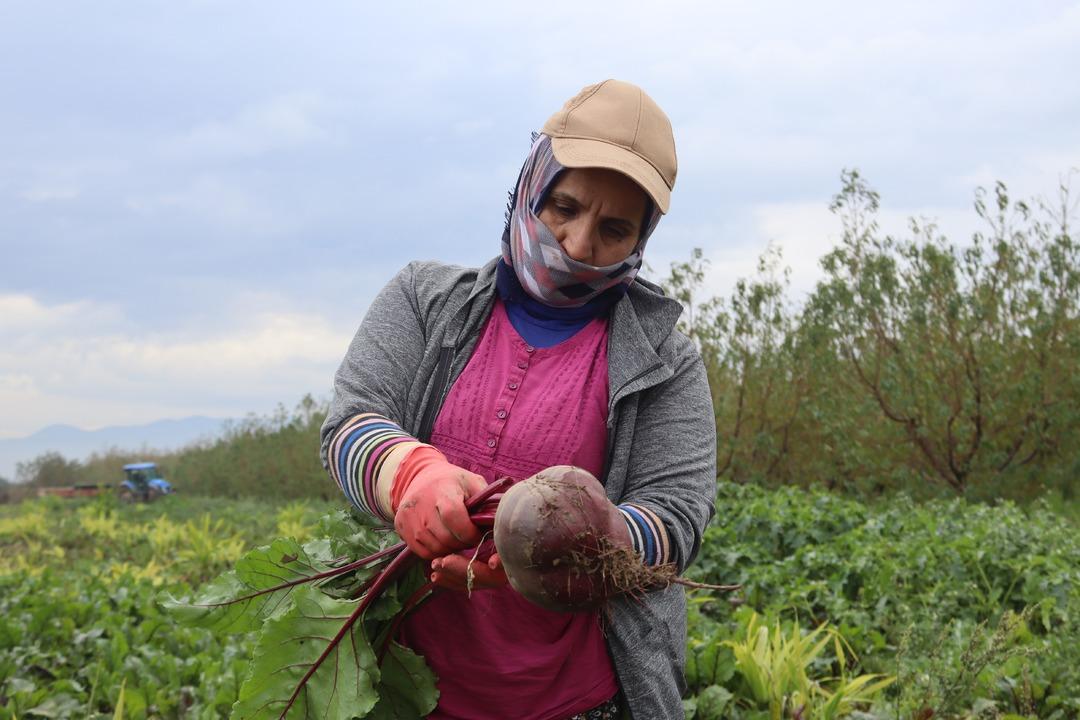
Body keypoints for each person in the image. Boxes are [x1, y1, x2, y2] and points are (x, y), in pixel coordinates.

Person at [321, 79, 716, 720]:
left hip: (576, 702)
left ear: (643, 238)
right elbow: (350, 423)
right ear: (530, 185)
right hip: (403, 690)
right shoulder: (424, 299)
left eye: (614, 229)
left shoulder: (667, 362)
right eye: (564, 206)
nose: (580, 244)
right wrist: (407, 475)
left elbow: (677, 518)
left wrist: (599, 542)